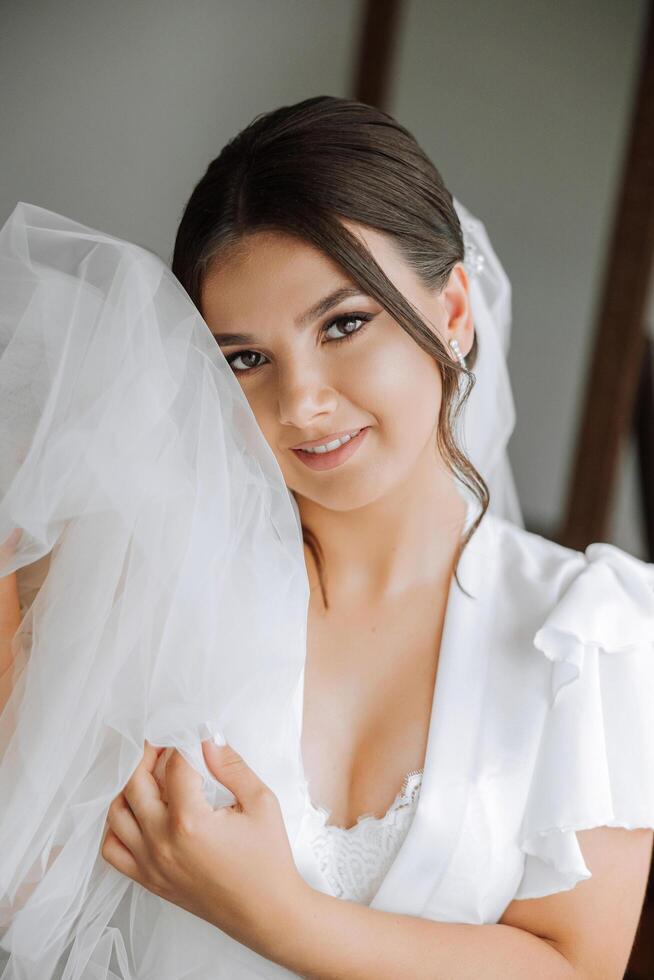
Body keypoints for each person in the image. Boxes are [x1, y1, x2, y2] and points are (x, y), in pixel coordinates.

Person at [0, 95, 653, 980]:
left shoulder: (592, 634)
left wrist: (279, 916)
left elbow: (574, 967)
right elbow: (34, 887)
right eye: (246, 358)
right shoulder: (147, 587)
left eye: (344, 325)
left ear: (453, 311)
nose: (300, 403)